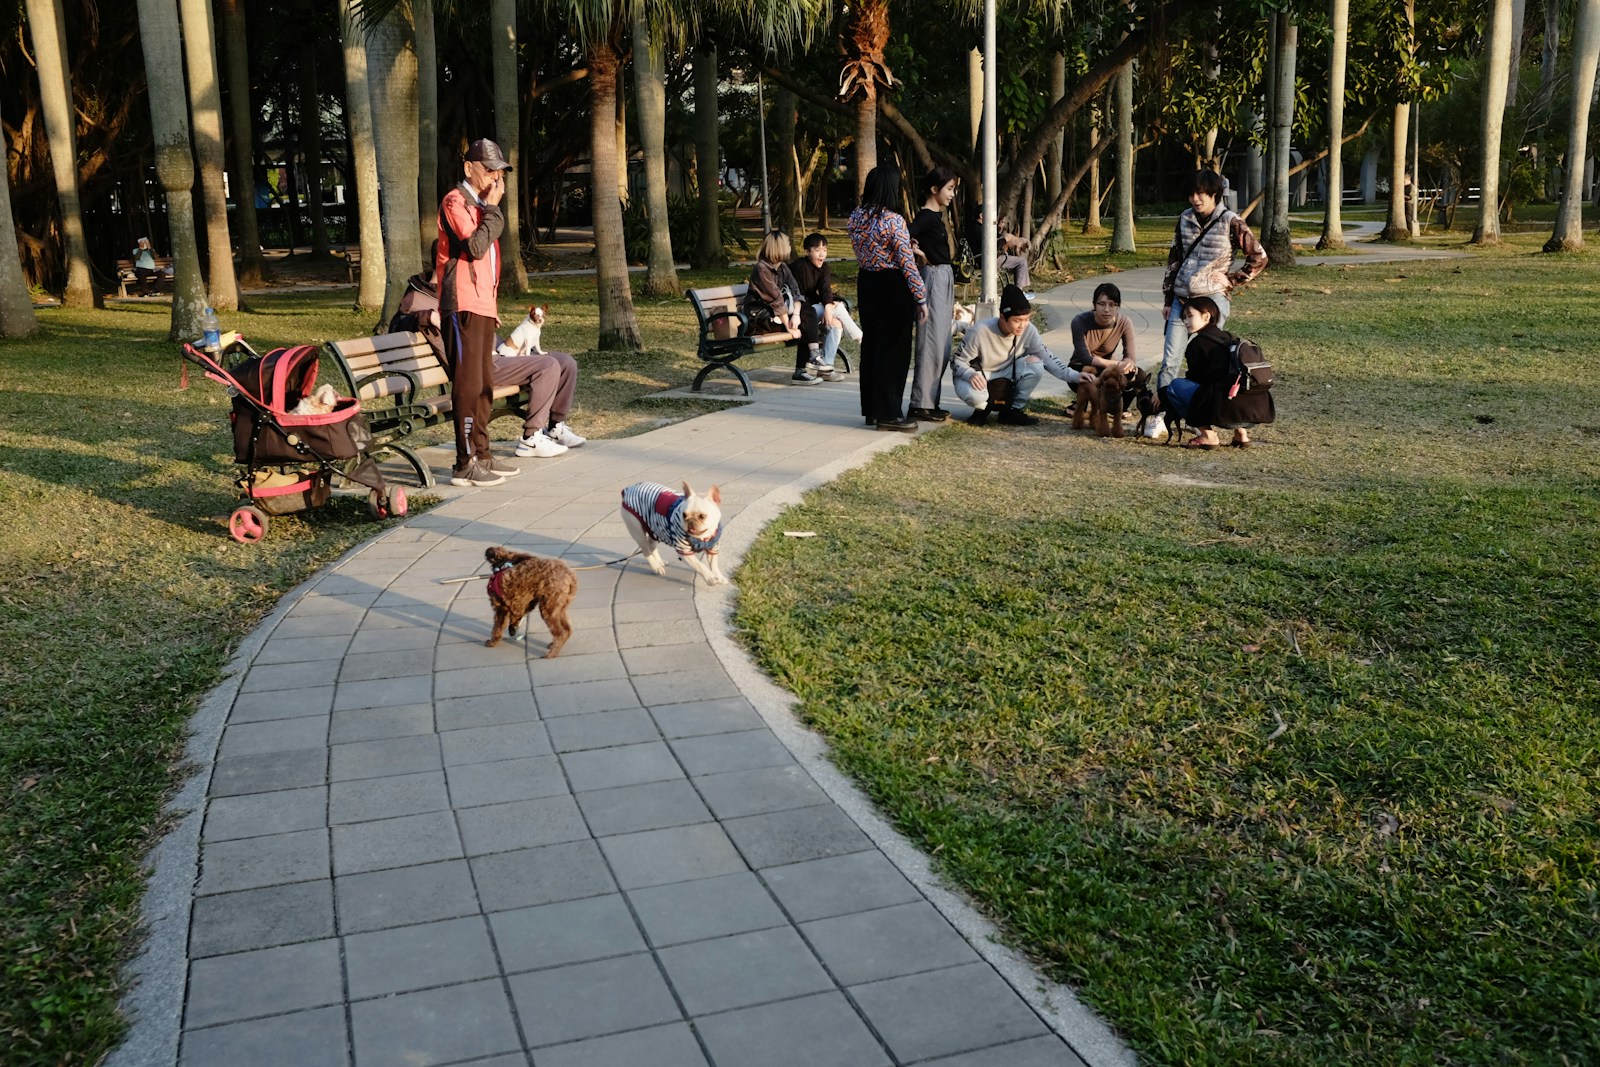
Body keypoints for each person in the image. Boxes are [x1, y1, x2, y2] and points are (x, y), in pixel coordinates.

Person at [392, 250, 587, 461]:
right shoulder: (417, 297)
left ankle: (556, 427)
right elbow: (395, 326)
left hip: (496, 352)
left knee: (566, 362)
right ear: (446, 262)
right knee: (548, 366)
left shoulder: (458, 289)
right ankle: (531, 438)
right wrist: (427, 316)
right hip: (477, 365)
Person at [1148, 168, 1267, 440]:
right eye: (1192, 193)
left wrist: (1232, 279)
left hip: (1211, 300)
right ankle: (1162, 415)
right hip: (1181, 297)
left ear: (1214, 195)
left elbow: (1259, 257)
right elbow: (1174, 260)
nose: (1195, 199)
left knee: (1208, 360)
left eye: (1201, 193)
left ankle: (1203, 415)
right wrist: (1168, 298)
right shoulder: (1184, 219)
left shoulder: (1231, 222)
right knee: (1170, 359)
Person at [436, 138, 521, 487]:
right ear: (469, 167)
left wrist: (492, 305)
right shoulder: (456, 201)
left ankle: (482, 453)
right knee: (469, 384)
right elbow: (475, 245)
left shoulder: (482, 206)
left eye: (498, 171)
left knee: (485, 383)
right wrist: (494, 209)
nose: (493, 177)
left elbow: (488, 261)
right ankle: (464, 461)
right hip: (461, 305)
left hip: (482, 305)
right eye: (488, 170)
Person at [848, 165, 929, 433]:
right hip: (893, 286)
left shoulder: (855, 217)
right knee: (893, 351)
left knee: (872, 346)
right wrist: (921, 297)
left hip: (867, 282)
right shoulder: (893, 220)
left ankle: (872, 410)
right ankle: (890, 413)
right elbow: (906, 263)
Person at [952, 284, 1086, 426]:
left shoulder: (1029, 330)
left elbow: (1048, 358)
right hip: (979, 374)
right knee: (976, 397)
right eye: (1017, 320)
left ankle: (1012, 411)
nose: (1023, 325)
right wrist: (970, 374)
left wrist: (1075, 376)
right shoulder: (979, 331)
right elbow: (956, 362)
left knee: (1036, 364)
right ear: (1002, 317)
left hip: (1007, 372)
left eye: (1026, 319)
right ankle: (981, 410)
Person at [907, 166, 961, 421]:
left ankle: (930, 401)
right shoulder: (927, 216)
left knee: (942, 342)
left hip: (943, 277)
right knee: (931, 341)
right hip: (934, 278)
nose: (953, 194)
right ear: (934, 189)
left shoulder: (936, 217)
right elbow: (904, 236)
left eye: (954, 189)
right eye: (949, 189)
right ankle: (920, 404)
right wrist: (919, 254)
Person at [1170, 296, 1255, 450]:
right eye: (1184, 317)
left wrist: (1162, 392)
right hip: (1248, 413)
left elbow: (1195, 380)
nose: (1186, 321)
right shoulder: (1230, 338)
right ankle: (1241, 434)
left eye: (1190, 316)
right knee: (1228, 385)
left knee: (1175, 387)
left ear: (1206, 316)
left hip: (1222, 411)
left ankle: (1207, 436)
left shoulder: (1197, 344)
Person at [743, 230, 827, 384]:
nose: (789, 246)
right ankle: (802, 369)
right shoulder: (762, 269)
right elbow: (776, 300)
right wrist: (790, 328)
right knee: (804, 323)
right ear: (778, 247)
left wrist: (795, 315)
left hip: (778, 316)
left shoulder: (782, 267)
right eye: (787, 244)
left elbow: (796, 291)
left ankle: (813, 355)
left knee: (807, 312)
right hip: (760, 320)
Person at [789, 232, 862, 378]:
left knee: (836, 323)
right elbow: (799, 296)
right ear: (807, 252)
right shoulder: (800, 266)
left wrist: (828, 307)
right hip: (799, 313)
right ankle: (860, 338)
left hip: (812, 310)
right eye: (817, 250)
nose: (822, 254)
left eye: (825, 250)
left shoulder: (824, 268)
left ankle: (826, 369)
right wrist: (828, 306)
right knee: (838, 307)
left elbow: (826, 290)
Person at [1069, 282, 1138, 377]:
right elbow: (1086, 358)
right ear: (1094, 305)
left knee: (1139, 376)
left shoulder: (1124, 322)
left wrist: (1127, 365)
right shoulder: (1079, 321)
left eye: (1112, 305)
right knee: (1098, 379)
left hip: (1109, 366)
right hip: (1082, 367)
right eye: (1102, 304)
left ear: (1118, 306)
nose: (1106, 309)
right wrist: (1117, 364)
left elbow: (1130, 356)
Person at [965, 208, 1033, 296]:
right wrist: (1005, 239)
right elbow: (990, 247)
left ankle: (1018, 291)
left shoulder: (977, 227)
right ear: (981, 216)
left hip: (985, 258)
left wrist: (999, 230)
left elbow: (991, 241)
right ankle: (1019, 293)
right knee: (1021, 262)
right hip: (987, 260)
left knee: (1018, 261)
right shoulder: (978, 230)